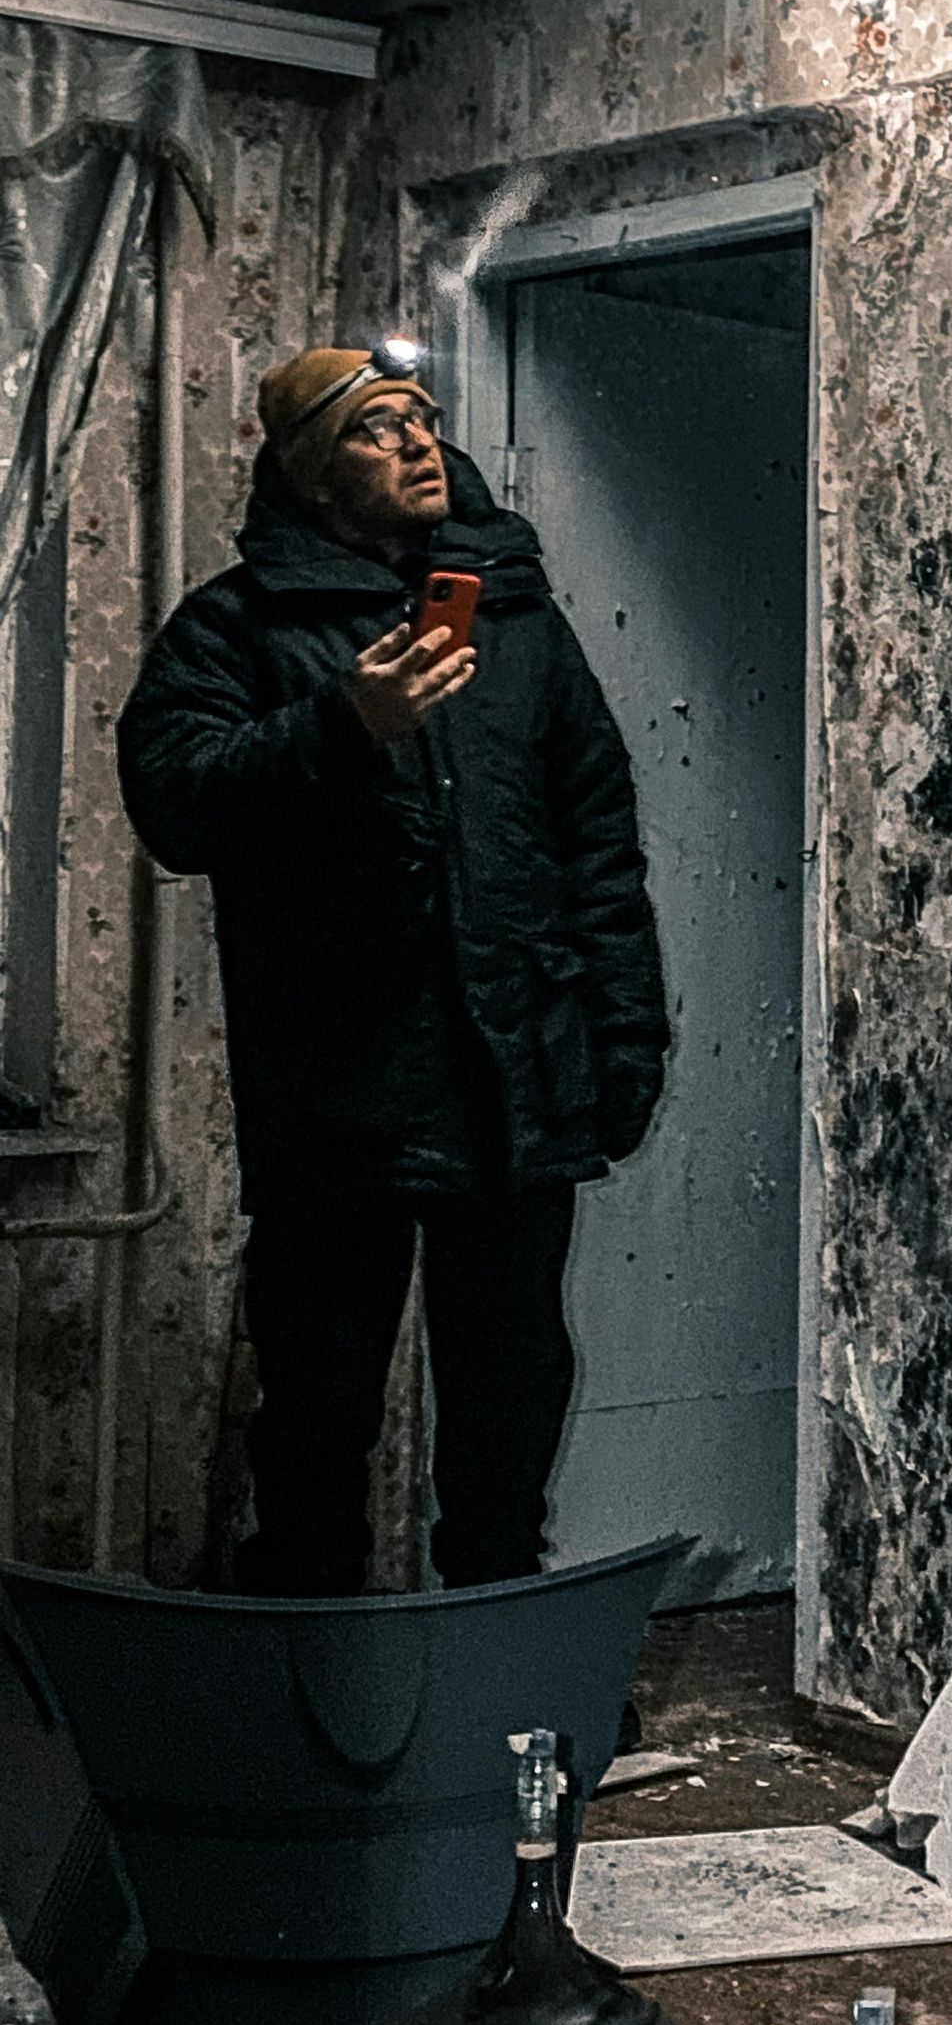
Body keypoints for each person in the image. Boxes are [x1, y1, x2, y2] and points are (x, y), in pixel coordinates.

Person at [117, 339, 668, 1595]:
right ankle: (308, 1668)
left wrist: (622, 1045)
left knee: (512, 1386)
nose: (419, 442)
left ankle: (499, 1658)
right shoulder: (237, 625)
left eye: (423, 418)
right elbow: (176, 804)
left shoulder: (512, 618)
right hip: (339, 1087)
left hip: (510, 1075)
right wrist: (337, 726)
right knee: (317, 1396)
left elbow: (595, 839)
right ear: (315, 475)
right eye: (377, 429)